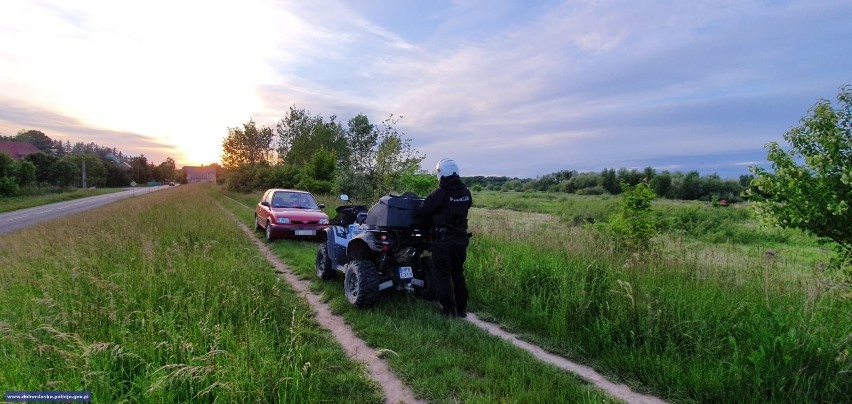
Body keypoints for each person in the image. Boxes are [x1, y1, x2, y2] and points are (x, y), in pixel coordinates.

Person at [418, 158, 473, 318]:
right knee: (458, 273)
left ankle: (448, 310)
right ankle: (462, 309)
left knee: (443, 275)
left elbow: (423, 210)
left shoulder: (441, 193)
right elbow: (466, 206)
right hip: (461, 240)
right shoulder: (466, 192)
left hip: (443, 241)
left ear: (441, 173)